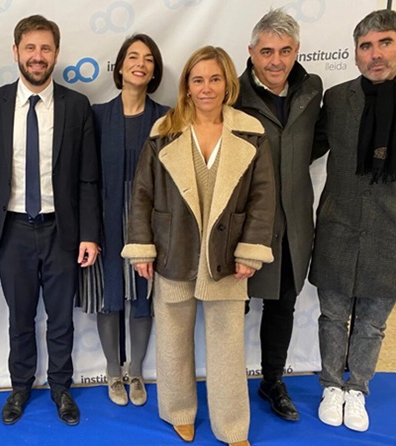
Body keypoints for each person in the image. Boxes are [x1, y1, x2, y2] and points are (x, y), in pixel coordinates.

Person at [122, 46, 275, 446]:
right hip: (173, 250)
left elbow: (263, 196)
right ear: (186, 86)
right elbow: (141, 194)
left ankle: (231, 426)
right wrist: (142, 248)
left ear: (228, 83)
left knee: (227, 346)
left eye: (214, 79)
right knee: (173, 339)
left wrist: (250, 250)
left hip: (226, 255)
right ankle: (178, 412)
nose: (206, 88)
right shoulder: (164, 131)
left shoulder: (251, 133)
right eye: (197, 79)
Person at [0, 14, 101, 427]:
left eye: (45, 48)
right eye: (30, 48)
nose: (37, 56)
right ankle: (19, 386)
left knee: (61, 317)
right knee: (20, 315)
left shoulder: (76, 106)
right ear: (16, 52)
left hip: (61, 229)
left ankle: (61, 388)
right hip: (12, 228)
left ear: (56, 53)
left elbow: (88, 177)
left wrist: (90, 234)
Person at [311, 9, 396, 433]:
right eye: (366, 46)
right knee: (332, 314)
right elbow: (307, 147)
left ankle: (358, 388)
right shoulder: (338, 97)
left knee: (372, 321)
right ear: (356, 53)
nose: (375, 54)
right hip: (338, 224)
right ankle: (331, 384)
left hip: (393, 229)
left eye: (385, 43)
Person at [233, 8, 323, 422]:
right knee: (234, 308)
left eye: (285, 51)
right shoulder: (232, 93)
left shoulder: (311, 89)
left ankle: (273, 380)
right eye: (267, 51)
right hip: (243, 223)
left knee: (283, 305)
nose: (276, 61)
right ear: (251, 52)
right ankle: (228, 382)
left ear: (297, 51)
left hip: (294, 223)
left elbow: (315, 142)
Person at [79, 34, 168, 407]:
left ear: (154, 71)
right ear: (119, 67)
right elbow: (85, 176)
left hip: (148, 218)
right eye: (133, 56)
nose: (141, 63)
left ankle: (135, 370)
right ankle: (113, 372)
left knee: (143, 296)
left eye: (148, 59)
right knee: (108, 296)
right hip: (105, 216)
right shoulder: (98, 114)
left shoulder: (165, 117)